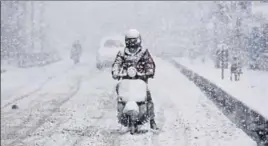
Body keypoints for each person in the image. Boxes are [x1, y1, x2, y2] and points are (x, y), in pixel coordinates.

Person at [111, 29, 158, 130]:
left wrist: (148, 72)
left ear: (139, 40)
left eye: (134, 40)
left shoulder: (144, 53)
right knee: (119, 94)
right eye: (129, 41)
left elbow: (150, 64)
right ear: (126, 41)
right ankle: (121, 114)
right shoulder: (122, 53)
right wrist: (116, 72)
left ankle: (152, 120)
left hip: (140, 81)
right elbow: (117, 63)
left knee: (148, 97)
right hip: (125, 81)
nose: (132, 43)